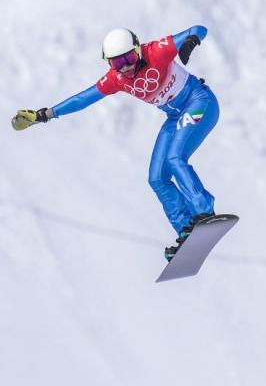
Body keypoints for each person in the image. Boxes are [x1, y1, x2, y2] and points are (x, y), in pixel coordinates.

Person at [12, 26, 219, 261]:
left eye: (129, 58)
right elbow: (84, 98)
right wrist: (46, 114)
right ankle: (187, 229)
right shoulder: (116, 79)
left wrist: (190, 41)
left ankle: (204, 211)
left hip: (198, 101)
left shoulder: (156, 52)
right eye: (117, 63)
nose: (126, 67)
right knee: (156, 178)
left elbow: (199, 28)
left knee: (174, 159)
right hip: (174, 117)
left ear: (138, 50)